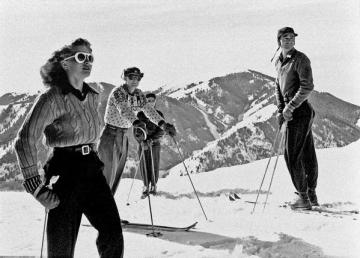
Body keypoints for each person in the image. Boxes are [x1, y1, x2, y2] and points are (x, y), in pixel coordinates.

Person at [14, 38, 124, 257]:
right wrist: (36, 188)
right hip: (64, 172)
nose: (88, 62)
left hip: (92, 169)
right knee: (61, 246)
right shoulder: (52, 98)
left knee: (113, 235)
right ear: (65, 63)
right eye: (81, 57)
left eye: (90, 57)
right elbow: (25, 139)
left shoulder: (93, 96)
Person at [98, 67, 176, 195]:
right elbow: (123, 109)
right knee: (107, 174)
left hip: (123, 135)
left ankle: (108, 210)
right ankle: (99, 210)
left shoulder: (139, 94)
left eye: (138, 78)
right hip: (110, 134)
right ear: (124, 77)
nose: (135, 80)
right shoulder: (118, 92)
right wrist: (136, 122)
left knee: (116, 175)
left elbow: (149, 110)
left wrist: (163, 125)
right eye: (131, 77)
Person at [273, 27, 319, 210]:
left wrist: (290, 107)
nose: (290, 40)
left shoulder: (301, 59)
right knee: (306, 154)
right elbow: (278, 86)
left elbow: (307, 87)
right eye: (286, 37)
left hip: (301, 112)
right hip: (292, 113)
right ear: (279, 41)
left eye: (292, 37)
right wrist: (280, 110)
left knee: (291, 156)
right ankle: (310, 196)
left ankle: (303, 198)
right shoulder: (279, 61)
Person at [133, 93, 165, 198]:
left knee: (154, 164)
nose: (150, 102)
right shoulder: (140, 115)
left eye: (152, 100)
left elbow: (161, 131)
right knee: (144, 164)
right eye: (148, 100)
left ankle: (153, 185)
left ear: (155, 102)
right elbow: (136, 131)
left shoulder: (158, 114)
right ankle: (145, 185)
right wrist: (141, 141)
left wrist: (151, 139)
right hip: (143, 143)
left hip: (154, 143)